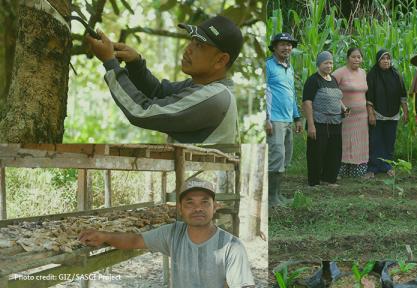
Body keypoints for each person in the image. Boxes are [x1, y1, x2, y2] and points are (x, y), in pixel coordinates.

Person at [85, 15, 240, 144]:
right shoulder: (204, 88)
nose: (188, 49)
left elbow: (141, 111)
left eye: (199, 45)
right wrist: (135, 63)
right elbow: (158, 92)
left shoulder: (213, 98)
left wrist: (111, 63)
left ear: (220, 60)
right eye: (192, 40)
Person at [79, 186, 255, 287]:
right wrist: (104, 236)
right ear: (180, 209)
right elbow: (135, 240)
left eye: (204, 202)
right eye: (190, 203)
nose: (198, 208)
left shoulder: (232, 246)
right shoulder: (173, 233)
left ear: (214, 207)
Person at [265, 32, 301, 205]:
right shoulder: (268, 66)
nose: (287, 48)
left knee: (285, 157)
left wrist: (297, 117)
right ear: (274, 47)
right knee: (276, 156)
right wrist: (266, 118)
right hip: (274, 119)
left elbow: (291, 94)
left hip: (287, 118)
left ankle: (277, 194)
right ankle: (271, 197)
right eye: (283, 44)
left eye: (289, 45)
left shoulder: (289, 68)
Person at [303, 51, 345, 187]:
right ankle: (314, 182)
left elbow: (337, 98)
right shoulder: (313, 80)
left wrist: (344, 109)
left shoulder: (333, 80)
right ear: (319, 64)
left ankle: (329, 179)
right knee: (316, 152)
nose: (329, 65)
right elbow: (307, 103)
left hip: (335, 122)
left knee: (334, 152)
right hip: (318, 122)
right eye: (326, 63)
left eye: (331, 63)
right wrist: (310, 125)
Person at [365, 49, 409, 178]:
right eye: (383, 59)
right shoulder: (372, 75)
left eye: (388, 58)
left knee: (389, 141)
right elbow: (369, 97)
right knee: (375, 141)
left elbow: (403, 96)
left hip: (393, 114)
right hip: (377, 114)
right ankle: (373, 168)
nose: (386, 61)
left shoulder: (396, 75)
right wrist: (371, 113)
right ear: (378, 61)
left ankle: (387, 166)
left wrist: (405, 112)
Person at [332, 48, 370, 178]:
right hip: (346, 115)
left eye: (359, 57)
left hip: (362, 116)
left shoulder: (363, 72)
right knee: (346, 141)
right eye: (354, 57)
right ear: (348, 58)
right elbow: (331, 90)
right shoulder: (339, 73)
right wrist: (342, 107)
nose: (356, 59)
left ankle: (358, 170)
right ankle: (341, 169)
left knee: (360, 142)